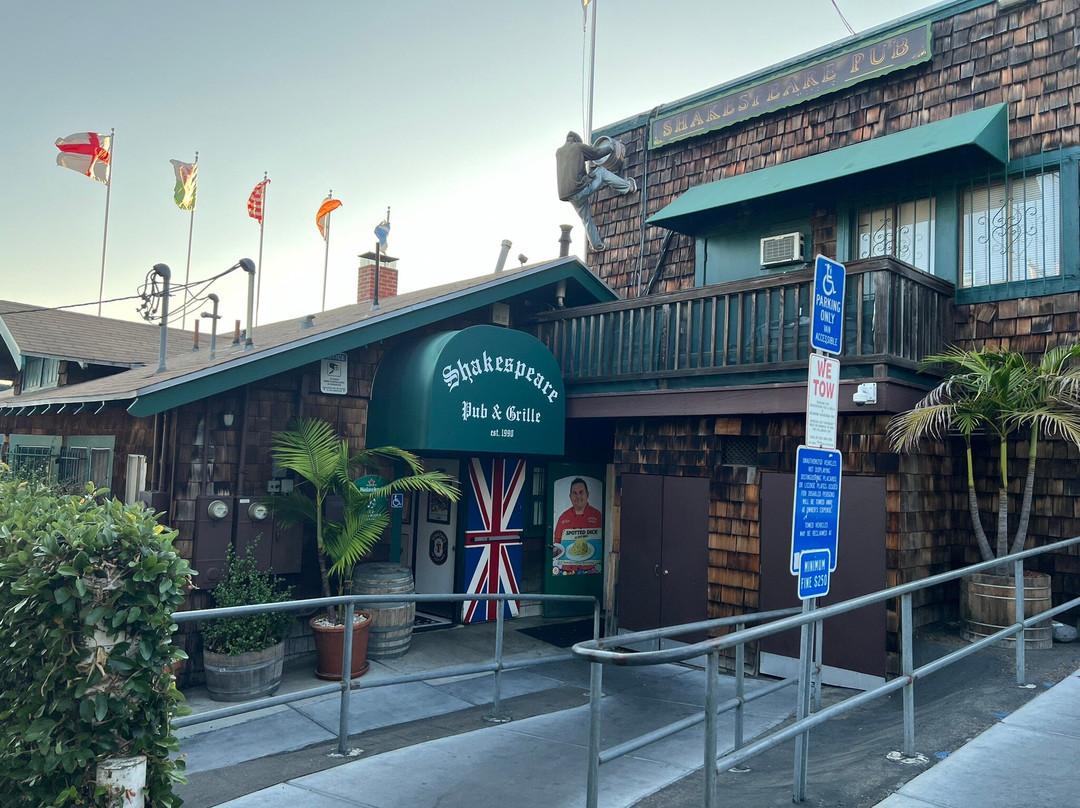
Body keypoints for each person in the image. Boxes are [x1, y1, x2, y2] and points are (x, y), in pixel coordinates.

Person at [556, 132, 637, 252]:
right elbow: (596, 153)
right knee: (601, 171)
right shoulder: (579, 147)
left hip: (570, 196)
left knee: (586, 219)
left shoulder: (559, 152)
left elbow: (575, 161)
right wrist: (611, 147)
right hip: (580, 188)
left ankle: (597, 246)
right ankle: (629, 187)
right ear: (577, 141)